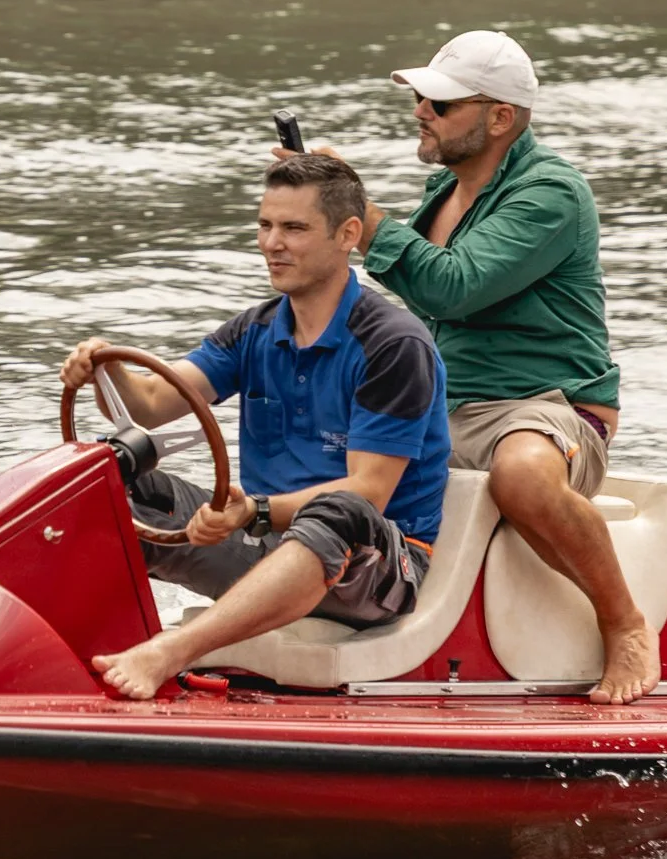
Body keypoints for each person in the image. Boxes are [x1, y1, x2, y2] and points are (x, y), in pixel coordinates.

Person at [292, 29, 657, 704]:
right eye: (421, 99)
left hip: (547, 407)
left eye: (440, 103)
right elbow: (409, 291)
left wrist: (360, 214)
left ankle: (626, 623)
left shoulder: (552, 193)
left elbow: (452, 286)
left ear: (499, 117)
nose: (421, 112)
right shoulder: (445, 191)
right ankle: (310, 621)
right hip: (445, 409)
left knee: (521, 473)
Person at [60, 153, 451, 700]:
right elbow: (149, 404)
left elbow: (369, 492)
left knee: (340, 509)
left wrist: (255, 511)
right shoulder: (256, 329)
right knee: (110, 482)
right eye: (265, 225)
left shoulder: (393, 343)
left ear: (348, 234)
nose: (272, 243)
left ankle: (167, 652)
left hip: (380, 566)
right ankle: (67, 651)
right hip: (265, 538)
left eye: (294, 228)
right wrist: (107, 371)